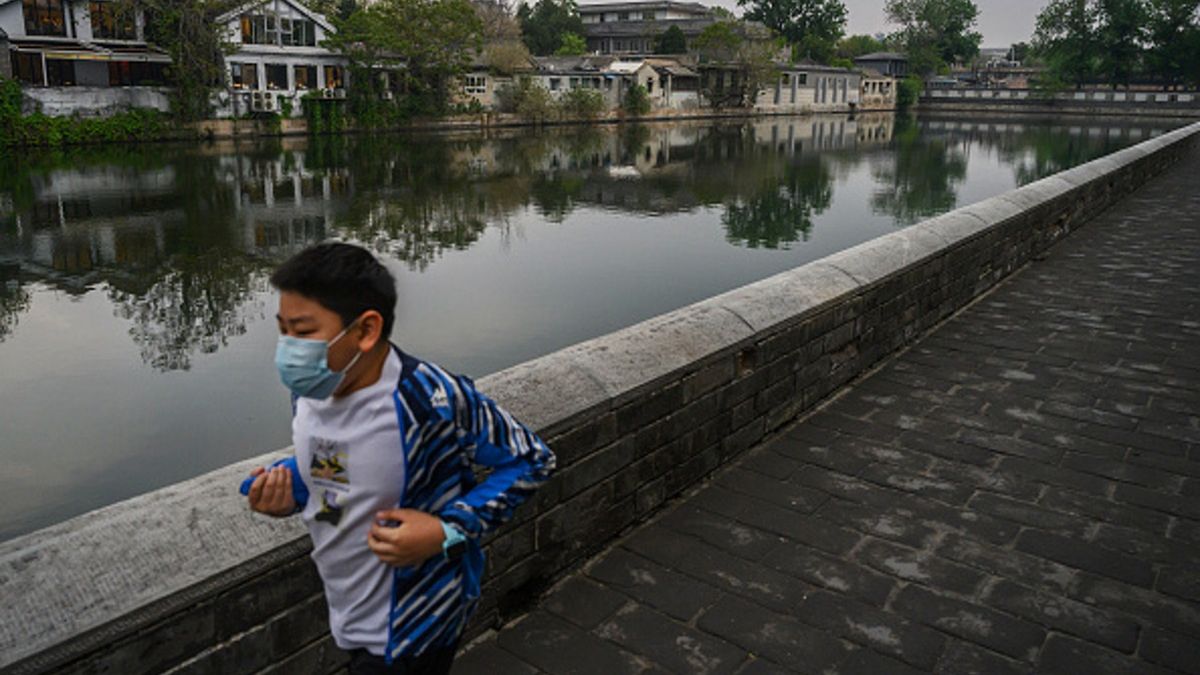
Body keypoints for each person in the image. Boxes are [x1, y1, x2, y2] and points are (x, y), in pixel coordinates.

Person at [241, 242, 556, 674]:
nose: (288, 350)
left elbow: (532, 460)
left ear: (366, 330)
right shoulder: (310, 390)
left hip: (417, 624)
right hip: (348, 610)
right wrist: (292, 490)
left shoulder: (430, 400)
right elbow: (338, 468)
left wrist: (446, 531)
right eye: (283, 330)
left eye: (303, 331)